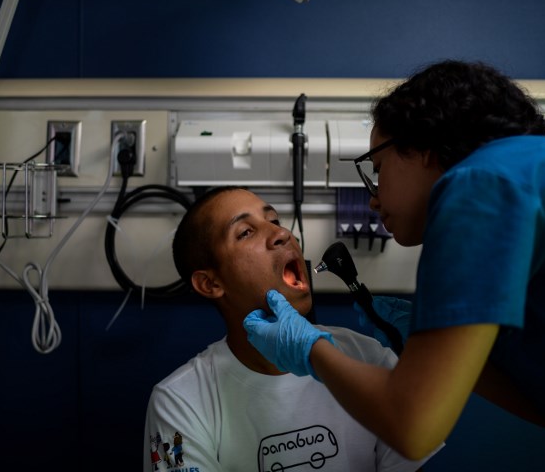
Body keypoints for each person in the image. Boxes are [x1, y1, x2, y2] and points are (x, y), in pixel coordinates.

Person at [244, 60, 545, 472]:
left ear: (424, 144)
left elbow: (412, 427)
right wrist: (464, 358)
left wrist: (308, 349)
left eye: (378, 169)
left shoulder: (480, 185)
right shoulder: (531, 175)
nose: (373, 198)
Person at [143, 186, 442, 471]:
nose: (282, 234)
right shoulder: (179, 401)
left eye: (274, 220)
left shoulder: (372, 359)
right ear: (211, 284)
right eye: (246, 232)